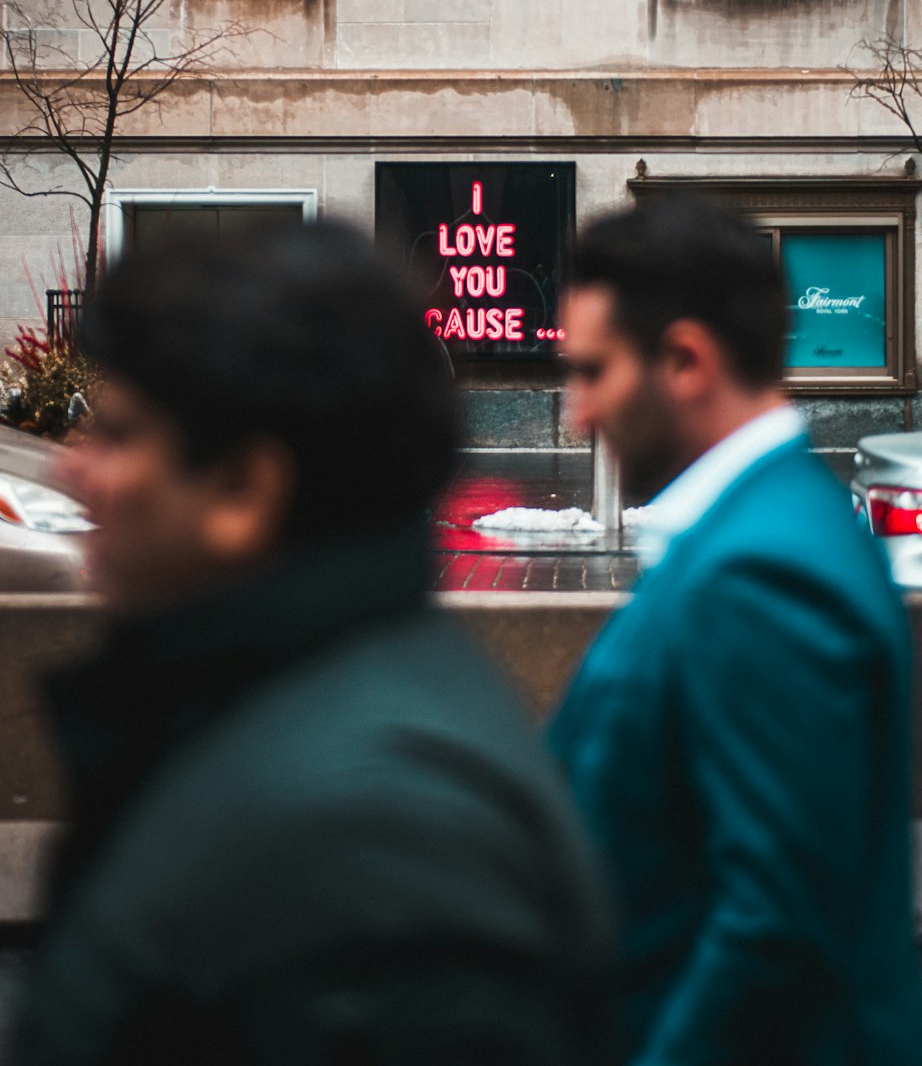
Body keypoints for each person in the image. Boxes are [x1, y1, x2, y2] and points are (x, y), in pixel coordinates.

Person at [13, 219, 611, 1066]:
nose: (75, 469)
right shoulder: (308, 736)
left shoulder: (375, 842)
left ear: (242, 489)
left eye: (119, 435)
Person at [550, 191, 922, 1066]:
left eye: (592, 371)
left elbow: (777, 930)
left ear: (686, 359)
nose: (577, 412)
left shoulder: (766, 572)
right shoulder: (765, 529)